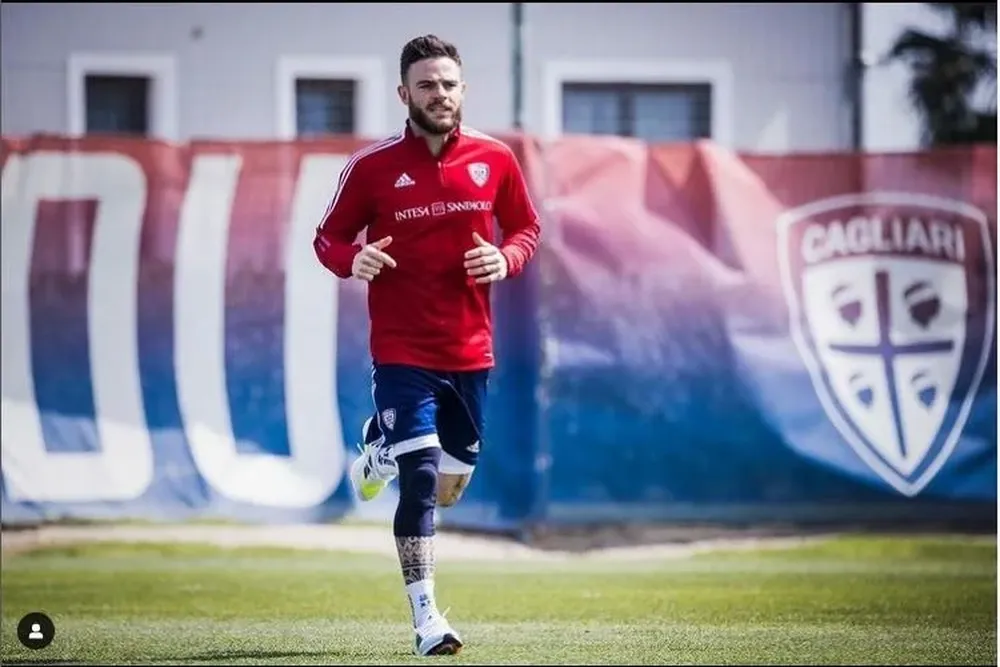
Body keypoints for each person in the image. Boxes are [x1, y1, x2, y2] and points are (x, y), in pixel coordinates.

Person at [312, 34, 541, 656]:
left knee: (449, 482)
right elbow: (327, 238)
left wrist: (507, 255)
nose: (439, 94)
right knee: (421, 480)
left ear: (462, 89)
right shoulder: (372, 167)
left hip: (471, 351)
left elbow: (525, 226)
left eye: (448, 84)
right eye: (427, 85)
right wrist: (353, 258)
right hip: (401, 349)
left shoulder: (495, 159)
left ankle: (377, 453)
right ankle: (426, 620)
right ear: (403, 94)